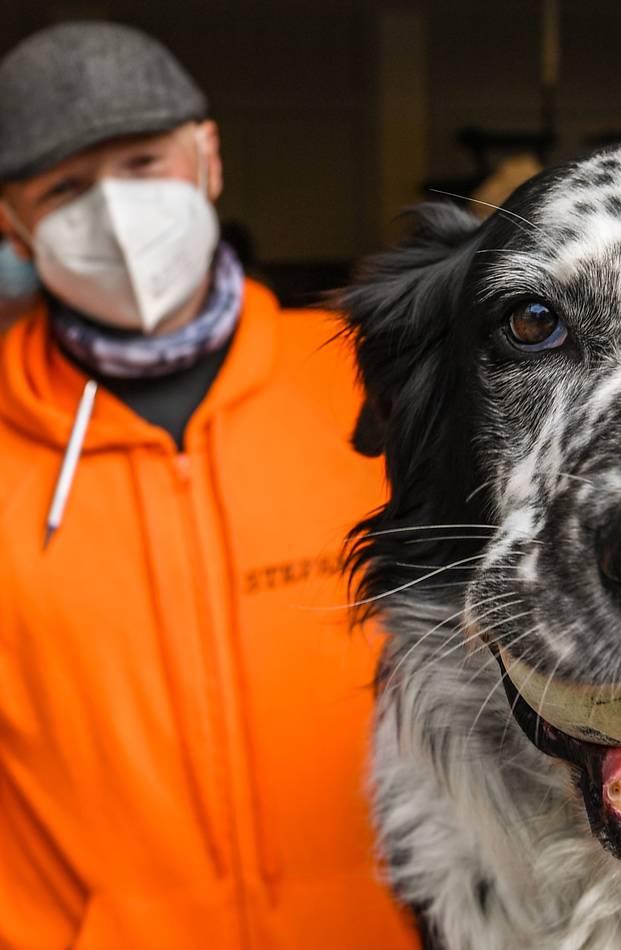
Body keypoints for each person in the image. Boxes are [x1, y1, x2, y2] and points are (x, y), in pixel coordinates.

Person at [0, 21, 416, 949]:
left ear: (208, 158)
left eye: (145, 163)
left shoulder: (371, 395)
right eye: (66, 189)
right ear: (12, 222)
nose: (115, 214)